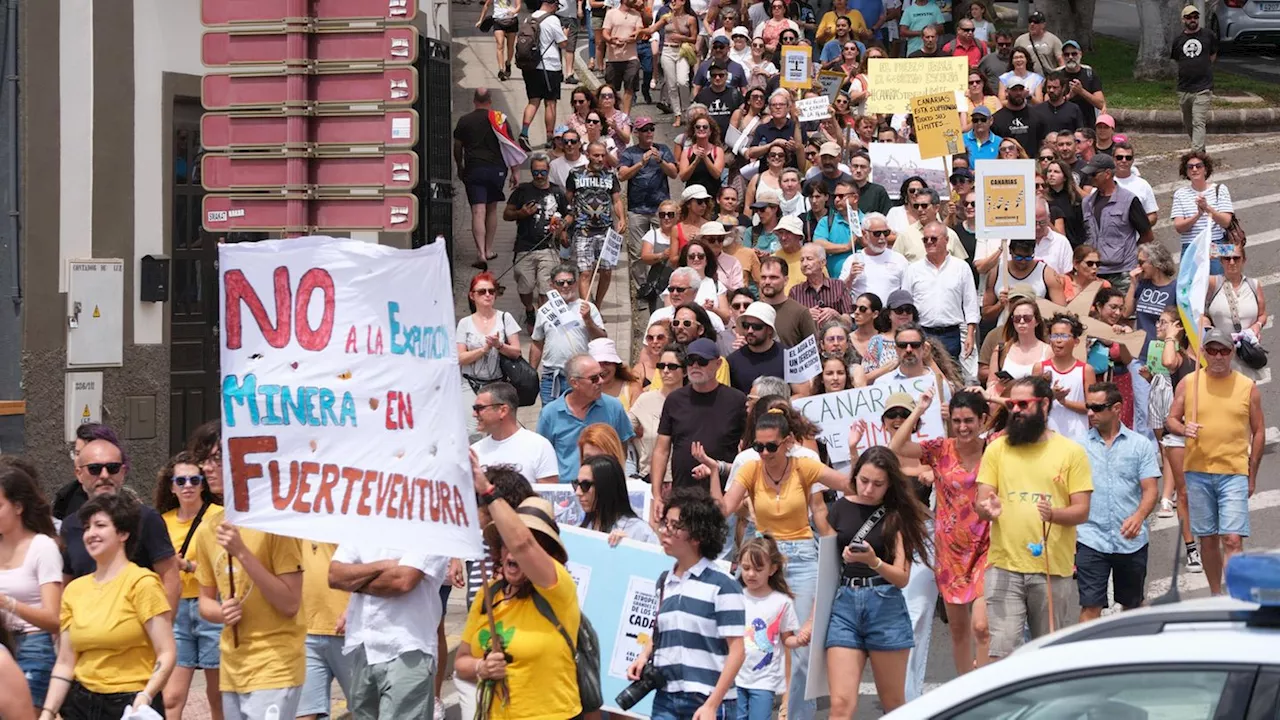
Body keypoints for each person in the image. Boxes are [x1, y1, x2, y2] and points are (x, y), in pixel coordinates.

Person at [707, 408, 853, 720]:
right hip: (762, 558)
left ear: (787, 443)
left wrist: (853, 450)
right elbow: (723, 510)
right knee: (743, 639)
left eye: (771, 446)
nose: (763, 453)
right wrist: (712, 477)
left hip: (801, 557)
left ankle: (797, 714)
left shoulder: (805, 466)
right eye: (758, 446)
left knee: (801, 649)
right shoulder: (750, 469)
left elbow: (850, 485)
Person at [975, 376, 1091, 658]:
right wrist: (986, 509)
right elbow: (982, 501)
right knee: (1001, 654)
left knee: (1048, 657)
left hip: (1052, 570)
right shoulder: (996, 449)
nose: (1015, 410)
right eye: (1012, 403)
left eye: (1023, 404)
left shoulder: (1071, 452)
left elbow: (1082, 511)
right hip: (1004, 567)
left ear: (1044, 405)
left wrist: (1053, 514)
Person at [458, 462, 584, 720]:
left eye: (531, 544)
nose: (512, 551)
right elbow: (461, 662)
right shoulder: (488, 594)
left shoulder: (557, 586)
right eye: (505, 544)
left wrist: (486, 490)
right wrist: (481, 667)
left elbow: (523, 544)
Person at [43, 493, 174, 720]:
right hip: (80, 703)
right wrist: (48, 712)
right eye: (87, 527)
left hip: (129, 704)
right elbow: (65, 662)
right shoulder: (74, 590)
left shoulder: (142, 583)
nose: (91, 534)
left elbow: (167, 651)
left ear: (123, 533)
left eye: (100, 525)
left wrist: (146, 695)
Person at [823, 446, 930, 719]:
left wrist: (874, 562)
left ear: (889, 484)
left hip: (885, 606)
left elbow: (902, 577)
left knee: (894, 704)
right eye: (864, 480)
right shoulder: (839, 509)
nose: (869, 489)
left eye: (878, 484)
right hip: (845, 605)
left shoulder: (897, 515)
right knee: (840, 706)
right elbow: (827, 565)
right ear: (855, 475)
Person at [890, 390, 992, 674]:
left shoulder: (994, 447)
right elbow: (897, 446)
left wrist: (996, 398)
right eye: (957, 421)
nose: (962, 427)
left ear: (983, 420)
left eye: (969, 420)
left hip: (988, 545)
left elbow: (1029, 419)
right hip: (949, 551)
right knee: (958, 630)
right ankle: (966, 689)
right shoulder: (939, 449)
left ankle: (985, 687)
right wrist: (919, 410)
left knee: (982, 627)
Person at [628, 487, 745, 720]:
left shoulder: (723, 585)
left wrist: (713, 704)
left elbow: (737, 651)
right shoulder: (665, 581)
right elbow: (663, 631)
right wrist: (644, 656)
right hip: (666, 696)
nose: (665, 531)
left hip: (706, 698)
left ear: (697, 535)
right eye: (665, 524)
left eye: (675, 526)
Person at [1166, 327, 1264, 594]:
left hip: (1234, 472)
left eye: (1223, 350)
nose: (1218, 356)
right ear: (1203, 352)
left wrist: (1252, 474)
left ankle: (1235, 595)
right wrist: (1182, 428)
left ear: (1232, 352)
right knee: (1208, 539)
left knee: (1232, 539)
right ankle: (1215, 593)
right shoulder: (1189, 383)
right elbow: (1171, 418)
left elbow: (1259, 431)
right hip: (1198, 472)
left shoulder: (1247, 387)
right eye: (1212, 350)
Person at [327, 537, 449, 719]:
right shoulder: (364, 523)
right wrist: (384, 565)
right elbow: (335, 576)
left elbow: (402, 581)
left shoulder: (430, 526)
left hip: (408, 648)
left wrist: (355, 582)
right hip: (364, 646)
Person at [60, 437, 180, 612]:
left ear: (123, 472)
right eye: (94, 469)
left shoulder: (146, 518)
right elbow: (65, 584)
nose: (104, 475)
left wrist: (163, 625)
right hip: (86, 629)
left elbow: (170, 576)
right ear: (79, 474)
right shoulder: (70, 526)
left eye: (112, 468)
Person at [1076, 382, 1159, 623]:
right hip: (1091, 538)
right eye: (1088, 407)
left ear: (1117, 408)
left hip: (1130, 540)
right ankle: (1087, 659)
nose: (1091, 413)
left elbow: (1150, 490)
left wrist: (1139, 516)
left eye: (1097, 407)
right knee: (1090, 607)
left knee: (1132, 607)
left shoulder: (1139, 445)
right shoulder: (1079, 447)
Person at [155, 452, 223, 720]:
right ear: (171, 486)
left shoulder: (219, 516)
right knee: (171, 696)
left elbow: (228, 567)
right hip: (176, 608)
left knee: (218, 696)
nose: (188, 486)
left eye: (195, 480)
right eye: (180, 481)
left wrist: (189, 566)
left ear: (203, 484)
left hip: (212, 607)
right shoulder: (163, 521)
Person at [651, 339, 747, 516]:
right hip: (682, 497)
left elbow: (747, 453)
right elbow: (661, 450)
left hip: (723, 498)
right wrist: (656, 495)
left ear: (718, 364)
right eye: (690, 361)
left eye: (702, 361)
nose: (695, 366)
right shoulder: (674, 400)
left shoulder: (737, 400)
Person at [0, 462, 63, 711]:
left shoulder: (42, 547)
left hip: (34, 645)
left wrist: (8, 603)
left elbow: (54, 618)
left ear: (18, 506)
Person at [1149, 308, 1204, 573]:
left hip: (1208, 433)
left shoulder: (1207, 353)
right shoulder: (1179, 357)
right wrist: (1171, 336)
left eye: (1166, 323)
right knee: (1184, 492)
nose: (1160, 326)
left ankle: (1211, 541)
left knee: (1208, 491)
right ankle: (1192, 548)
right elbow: (1169, 362)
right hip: (1180, 433)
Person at [732, 535, 804, 720]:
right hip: (734, 676)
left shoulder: (781, 602)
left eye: (758, 569)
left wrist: (799, 640)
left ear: (772, 569)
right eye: (746, 568)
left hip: (764, 680)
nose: (750, 574)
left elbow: (786, 638)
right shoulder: (734, 596)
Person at [538, 353, 636, 482]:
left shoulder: (614, 407)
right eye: (594, 378)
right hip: (567, 492)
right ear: (575, 383)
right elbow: (543, 456)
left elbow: (622, 445)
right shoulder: (550, 414)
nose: (601, 381)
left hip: (604, 489)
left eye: (601, 376)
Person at [454, 88, 523, 267]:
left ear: (474, 100)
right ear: (490, 100)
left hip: (474, 168)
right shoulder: (500, 119)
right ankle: (489, 249)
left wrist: (459, 166)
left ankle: (480, 253)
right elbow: (510, 145)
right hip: (496, 169)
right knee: (491, 210)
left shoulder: (464, 120)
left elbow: (457, 147)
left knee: (478, 211)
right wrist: (515, 171)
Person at [458, 272, 525, 440]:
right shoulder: (465, 323)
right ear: (472, 295)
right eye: (482, 291)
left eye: (491, 291)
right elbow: (460, 358)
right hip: (470, 383)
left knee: (499, 429)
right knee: (473, 432)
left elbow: (516, 351)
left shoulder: (505, 318)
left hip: (498, 383)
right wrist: (484, 349)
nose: (487, 295)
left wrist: (499, 345)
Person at [507, 153, 572, 325]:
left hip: (549, 248)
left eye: (543, 172)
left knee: (546, 288)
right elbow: (507, 214)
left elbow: (571, 213)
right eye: (536, 172)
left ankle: (542, 323)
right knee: (525, 286)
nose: (540, 176)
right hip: (524, 246)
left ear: (548, 170)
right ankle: (529, 310)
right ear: (531, 172)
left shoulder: (557, 191)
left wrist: (563, 224)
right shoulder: (522, 190)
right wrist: (521, 213)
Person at [530, 265, 608, 404]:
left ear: (576, 283)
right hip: (551, 376)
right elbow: (537, 343)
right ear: (552, 285)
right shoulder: (544, 311)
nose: (566, 286)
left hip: (581, 375)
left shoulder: (587, 308)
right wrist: (531, 373)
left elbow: (602, 339)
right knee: (551, 418)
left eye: (570, 282)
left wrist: (588, 320)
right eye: (561, 283)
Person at [902, 222, 979, 361]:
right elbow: (906, 305)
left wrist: (970, 335)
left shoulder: (961, 267)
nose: (929, 242)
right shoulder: (913, 269)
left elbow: (970, 303)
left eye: (934, 238)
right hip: (922, 332)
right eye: (925, 239)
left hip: (952, 333)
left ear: (946, 240)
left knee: (952, 377)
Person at [1080, 153, 1153, 297]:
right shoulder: (1087, 202)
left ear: (1107, 174)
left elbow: (1147, 235)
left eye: (1094, 174)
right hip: (1095, 271)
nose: (1090, 177)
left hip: (1123, 272)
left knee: (1125, 314)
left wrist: (1131, 253)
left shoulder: (1129, 200)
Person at [619, 117, 679, 289]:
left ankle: (665, 283)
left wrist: (660, 161)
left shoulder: (663, 149)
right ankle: (642, 289)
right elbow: (622, 175)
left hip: (661, 209)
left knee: (667, 247)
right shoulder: (630, 153)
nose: (649, 133)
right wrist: (641, 163)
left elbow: (674, 174)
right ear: (637, 133)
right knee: (638, 252)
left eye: (651, 129)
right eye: (645, 130)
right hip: (637, 210)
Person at [298, 538, 355, 720]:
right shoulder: (291, 519)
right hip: (304, 631)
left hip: (350, 632)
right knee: (304, 713)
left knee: (365, 710)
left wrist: (353, 608)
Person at [567, 141, 626, 306]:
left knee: (606, 271)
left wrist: (621, 219)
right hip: (583, 230)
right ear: (587, 155)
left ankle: (597, 306)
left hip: (606, 231)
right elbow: (568, 199)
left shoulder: (610, 175)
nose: (600, 159)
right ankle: (587, 310)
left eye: (603, 155)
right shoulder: (575, 174)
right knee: (585, 272)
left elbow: (616, 200)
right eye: (596, 155)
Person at [472, 381, 560, 484]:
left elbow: (548, 495)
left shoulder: (539, 446)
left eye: (479, 408)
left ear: (503, 411)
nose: (474, 414)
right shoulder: (474, 452)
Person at [1205, 245, 1269, 381]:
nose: (1232, 262)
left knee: (1247, 395)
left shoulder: (1254, 284)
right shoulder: (1212, 282)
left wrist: (1257, 326)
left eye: (1236, 258)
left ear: (1244, 260)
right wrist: (1206, 259)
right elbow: (1191, 281)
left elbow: (1263, 315)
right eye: (1227, 258)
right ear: (1221, 261)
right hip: (1221, 353)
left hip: (1246, 352)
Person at [631, 344, 686, 487]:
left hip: (682, 481)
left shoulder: (694, 402)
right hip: (649, 480)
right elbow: (623, 431)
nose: (665, 371)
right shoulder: (645, 400)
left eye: (672, 367)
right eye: (661, 366)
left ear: (685, 371)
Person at [1171, 150, 1236, 265]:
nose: (1194, 169)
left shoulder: (1220, 189)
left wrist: (1207, 208)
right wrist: (1198, 215)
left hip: (1217, 243)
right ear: (1186, 172)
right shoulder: (1180, 194)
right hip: (1191, 245)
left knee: (1220, 281)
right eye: (1190, 167)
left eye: (1198, 166)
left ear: (1205, 170)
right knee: (1190, 283)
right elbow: (1179, 227)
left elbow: (1226, 222)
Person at [577, 454, 658, 542]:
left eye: (585, 485)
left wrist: (629, 547)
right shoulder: (577, 531)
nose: (578, 492)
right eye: (576, 484)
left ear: (606, 487)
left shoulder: (640, 533)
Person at [1043, 312, 1095, 444]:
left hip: (1078, 439)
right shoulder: (1040, 368)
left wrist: (1064, 401)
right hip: (1046, 439)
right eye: (1054, 336)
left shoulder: (1086, 370)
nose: (1058, 340)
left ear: (1076, 341)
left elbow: (1092, 406)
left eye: (1064, 336)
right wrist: (1051, 396)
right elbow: (1033, 403)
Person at [1172, 4, 1216, 153]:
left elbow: (1212, 55)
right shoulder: (1178, 40)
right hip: (1184, 88)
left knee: (1198, 121)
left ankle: (1196, 155)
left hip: (1203, 87)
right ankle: (1201, 150)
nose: (1193, 20)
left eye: (1195, 17)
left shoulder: (1208, 35)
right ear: (1183, 19)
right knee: (1189, 123)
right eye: (1189, 17)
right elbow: (1177, 59)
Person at [1124, 242, 1177, 360]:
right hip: (1141, 353)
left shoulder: (1175, 288)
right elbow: (1126, 312)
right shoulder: (1142, 284)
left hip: (1163, 354)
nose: (1138, 267)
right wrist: (1133, 284)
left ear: (1156, 263)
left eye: (1142, 262)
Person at [842, 214, 908, 303]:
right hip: (862, 314)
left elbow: (907, 291)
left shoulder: (899, 259)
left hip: (888, 314)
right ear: (865, 234)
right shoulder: (853, 260)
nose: (882, 237)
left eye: (886, 233)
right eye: (877, 233)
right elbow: (839, 292)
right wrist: (850, 278)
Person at [758, 256, 819, 348]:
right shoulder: (753, 311)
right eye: (763, 277)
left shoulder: (800, 313)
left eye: (773, 277)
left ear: (786, 280)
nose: (767, 281)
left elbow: (812, 351)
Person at [651, 0, 698, 120]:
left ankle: (686, 110)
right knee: (671, 84)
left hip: (682, 51)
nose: (672, 1)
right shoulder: (666, 17)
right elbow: (652, 29)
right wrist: (639, 31)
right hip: (667, 50)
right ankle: (677, 114)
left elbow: (694, 38)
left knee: (683, 81)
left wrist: (681, 37)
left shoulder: (690, 19)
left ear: (682, 2)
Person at [727, 302, 786, 394]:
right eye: (746, 326)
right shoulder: (733, 360)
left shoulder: (788, 356)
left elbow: (801, 393)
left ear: (769, 330)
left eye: (756, 327)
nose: (750, 331)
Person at [789, 244, 854, 327]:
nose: (804, 264)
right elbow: (790, 324)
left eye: (809, 259)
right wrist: (804, 316)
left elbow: (849, 322)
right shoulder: (795, 292)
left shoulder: (839, 286)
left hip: (834, 337)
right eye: (802, 260)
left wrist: (836, 315)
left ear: (822, 262)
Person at [603, 0, 645, 113]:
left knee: (629, 87)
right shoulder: (611, 13)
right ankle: (613, 114)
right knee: (612, 89)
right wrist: (611, 40)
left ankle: (625, 116)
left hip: (631, 57)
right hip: (613, 58)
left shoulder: (636, 15)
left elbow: (639, 34)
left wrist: (628, 39)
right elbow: (605, 32)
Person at [1030, 73, 1084, 152]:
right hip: (1045, 155)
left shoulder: (1073, 109)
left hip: (1066, 152)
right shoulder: (1037, 110)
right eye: (1049, 87)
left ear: (1063, 88)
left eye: (1055, 87)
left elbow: (1079, 134)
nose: (1051, 90)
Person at [1057, 40, 1106, 126]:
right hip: (1062, 125)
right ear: (1062, 56)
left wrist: (1081, 91)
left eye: (1074, 54)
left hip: (1087, 124)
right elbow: (1046, 103)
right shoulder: (1057, 75)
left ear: (1080, 54)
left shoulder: (1090, 74)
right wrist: (1068, 97)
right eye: (1066, 54)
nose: (1070, 57)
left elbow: (1100, 104)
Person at [679, 113, 727, 199]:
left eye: (705, 127)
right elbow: (683, 177)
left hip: (712, 195)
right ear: (694, 130)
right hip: (693, 197)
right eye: (698, 127)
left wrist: (705, 157)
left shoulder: (717, 151)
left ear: (710, 131)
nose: (701, 129)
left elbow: (716, 174)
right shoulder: (687, 152)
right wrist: (695, 162)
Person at [1113, 141, 1159, 228]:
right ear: (1113, 159)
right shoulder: (1106, 182)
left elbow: (1152, 215)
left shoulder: (1143, 185)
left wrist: (1137, 226)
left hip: (1135, 239)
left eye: (1128, 158)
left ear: (1133, 160)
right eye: (1119, 157)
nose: (1124, 160)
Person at [991, 77, 1039, 155]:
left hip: (1032, 164)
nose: (1018, 93)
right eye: (1014, 90)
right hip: (1007, 164)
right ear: (1006, 92)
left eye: (1021, 89)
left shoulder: (1036, 116)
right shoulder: (996, 119)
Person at [1044, 159, 1086, 249]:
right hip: (1050, 246)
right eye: (1049, 171)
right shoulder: (1044, 198)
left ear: (1065, 177)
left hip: (1075, 246)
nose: (1051, 174)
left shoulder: (1074, 198)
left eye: (1056, 172)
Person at [1014, 10, 1063, 76]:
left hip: (1047, 80)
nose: (1032, 24)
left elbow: (1061, 61)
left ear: (1043, 25)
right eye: (1030, 21)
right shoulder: (1020, 40)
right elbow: (1014, 60)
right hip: (1027, 80)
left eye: (1036, 22)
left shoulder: (1053, 40)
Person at [977, 30, 1013, 98]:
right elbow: (979, 80)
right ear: (996, 44)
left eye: (1007, 44)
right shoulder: (987, 60)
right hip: (992, 99)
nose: (1004, 46)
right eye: (1001, 44)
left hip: (1012, 99)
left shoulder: (1017, 60)